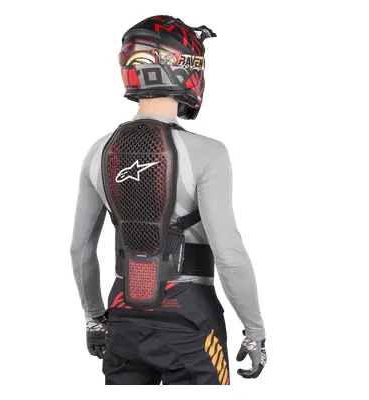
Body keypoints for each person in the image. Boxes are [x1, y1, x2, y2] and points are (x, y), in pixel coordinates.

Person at [71, 15, 266, 385]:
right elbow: (229, 254)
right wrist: (254, 329)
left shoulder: (98, 151)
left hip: (122, 318)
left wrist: (94, 318)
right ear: (184, 66)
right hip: (190, 320)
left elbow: (80, 250)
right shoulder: (209, 152)